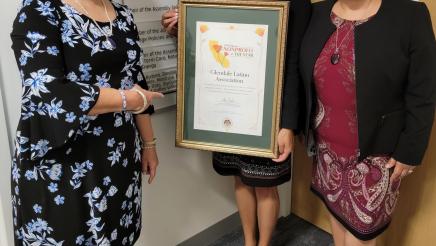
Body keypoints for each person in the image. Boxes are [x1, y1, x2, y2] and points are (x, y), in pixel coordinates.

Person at [10, 0, 164, 244]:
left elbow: (136, 81)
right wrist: (129, 100)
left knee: (117, 234)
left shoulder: (122, 15)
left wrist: (149, 144)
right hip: (62, 161)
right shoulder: (39, 11)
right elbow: (47, 91)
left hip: (117, 156)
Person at [162, 1, 311, 245]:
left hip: (268, 111)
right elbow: (209, 36)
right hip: (228, 109)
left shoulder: (297, 4)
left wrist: (288, 125)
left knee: (265, 185)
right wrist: (183, 23)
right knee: (240, 177)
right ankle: (249, 242)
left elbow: (294, 65)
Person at [300, 0, 436, 245]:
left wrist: (410, 150)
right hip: (326, 152)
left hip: (375, 156)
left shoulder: (410, 15)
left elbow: (424, 91)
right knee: (337, 221)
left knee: (360, 237)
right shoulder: (317, 12)